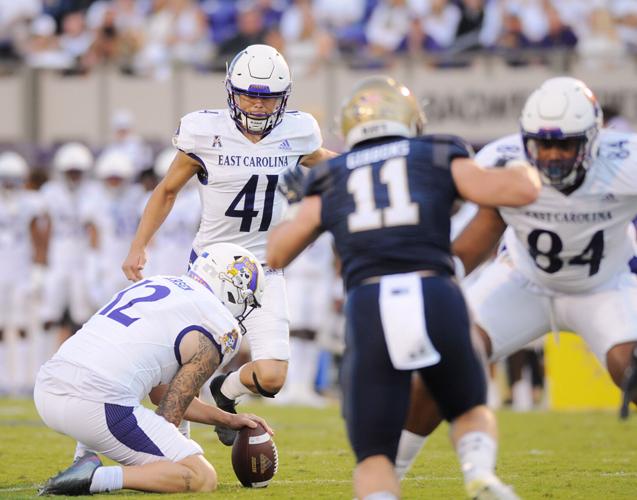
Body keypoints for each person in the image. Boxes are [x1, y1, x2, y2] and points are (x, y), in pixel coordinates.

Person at [266, 75, 540, 500]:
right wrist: (521, 166)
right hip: (433, 290)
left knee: (375, 454)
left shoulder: (333, 174)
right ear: (409, 119)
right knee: (468, 408)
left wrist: (301, 206)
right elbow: (517, 190)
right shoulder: (435, 152)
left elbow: (278, 252)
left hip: (369, 301)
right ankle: (480, 474)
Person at [394, 76, 637, 478]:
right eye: (544, 144)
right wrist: (433, 284)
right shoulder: (501, 158)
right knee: (445, 357)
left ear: (594, 139)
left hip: (603, 286)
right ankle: (391, 470)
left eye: (566, 144)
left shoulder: (625, 159)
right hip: (521, 280)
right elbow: (478, 238)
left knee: (629, 367)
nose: (554, 155)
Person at [122, 44, 336, 446]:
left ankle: (226, 391)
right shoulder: (204, 132)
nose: (257, 105)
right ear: (230, 91)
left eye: (267, 96)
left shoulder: (299, 132)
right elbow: (167, 190)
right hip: (211, 269)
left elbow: (330, 161)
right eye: (249, 94)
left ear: (284, 97)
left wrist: (376, 162)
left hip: (266, 269)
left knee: (272, 377)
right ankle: (172, 448)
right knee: (183, 370)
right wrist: (139, 245)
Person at [35, 242, 272, 496]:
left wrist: (227, 419)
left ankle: (83, 458)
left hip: (47, 390)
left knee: (122, 380)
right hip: (98, 405)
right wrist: (180, 455)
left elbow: (161, 392)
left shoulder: (160, 283)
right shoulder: (220, 324)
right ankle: (95, 477)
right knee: (202, 477)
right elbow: (169, 413)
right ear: (231, 286)